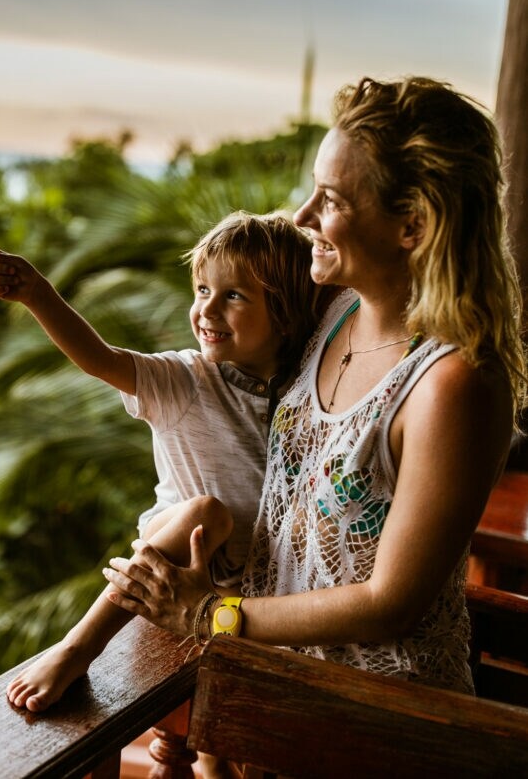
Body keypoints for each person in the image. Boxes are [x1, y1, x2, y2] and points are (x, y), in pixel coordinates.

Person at [103, 76, 526, 697]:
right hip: (276, 679)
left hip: (379, 715)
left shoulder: (455, 384)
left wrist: (207, 615)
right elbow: (251, 252)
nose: (303, 218)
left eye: (329, 199)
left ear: (411, 224)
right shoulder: (331, 307)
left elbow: (391, 603)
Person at [0, 210, 328, 712]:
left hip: (250, 590)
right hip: (175, 561)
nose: (207, 309)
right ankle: (77, 646)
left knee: (224, 731)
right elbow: (100, 357)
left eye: (234, 295)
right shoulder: (184, 379)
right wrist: (38, 295)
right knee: (207, 512)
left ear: (286, 314)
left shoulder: (308, 387)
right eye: (202, 290)